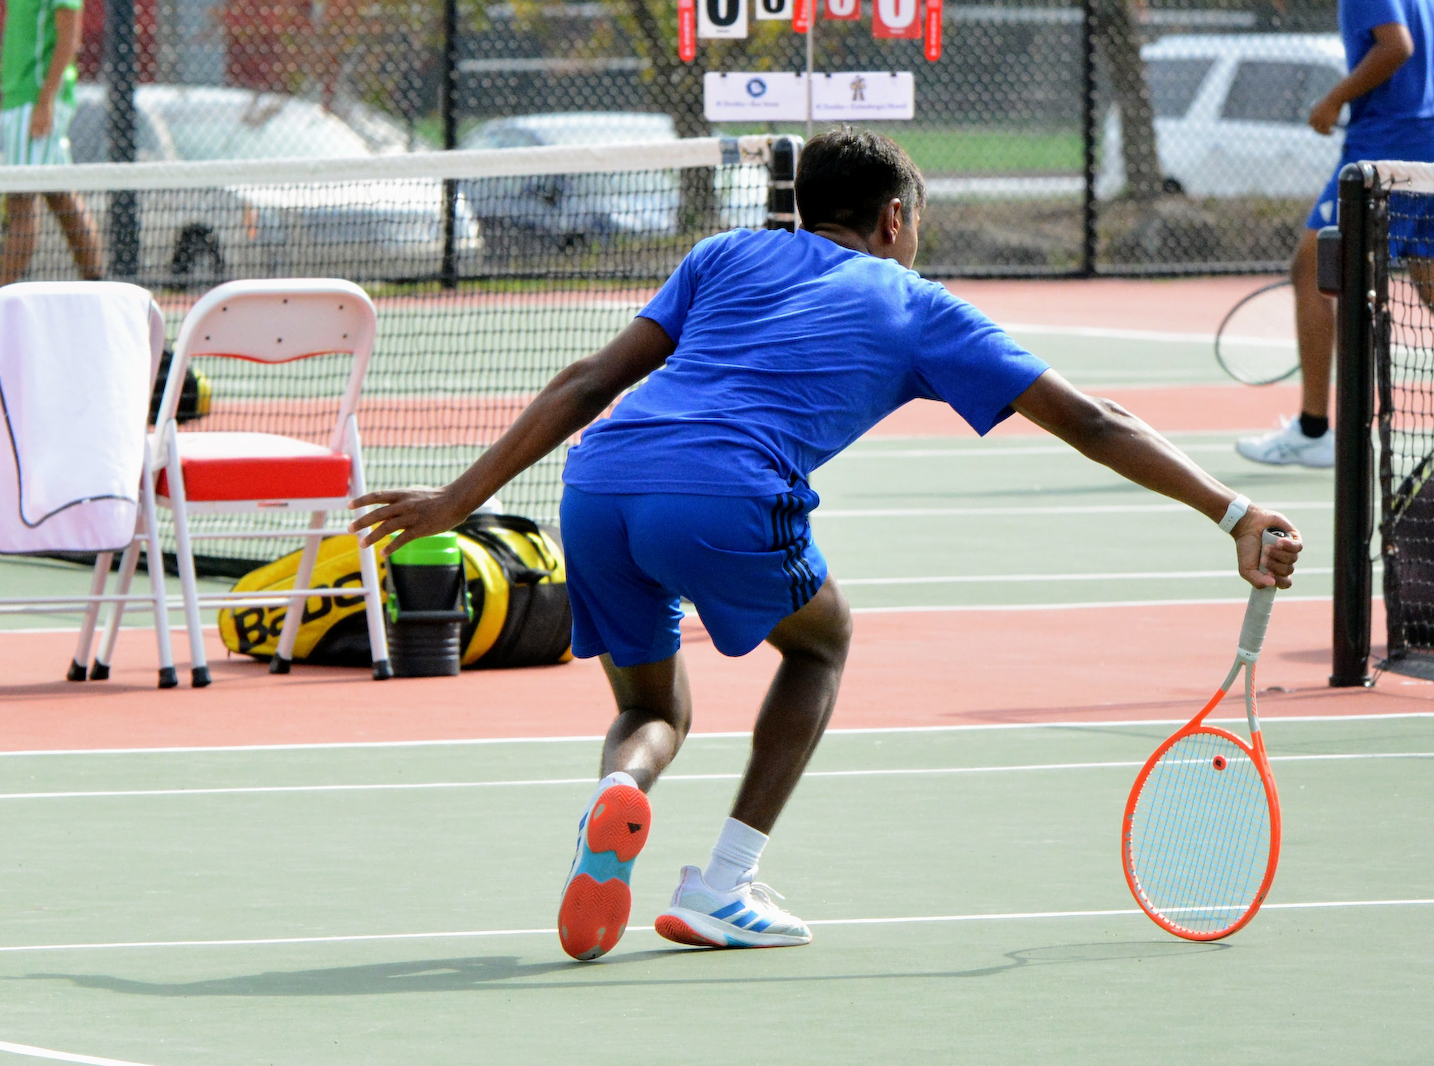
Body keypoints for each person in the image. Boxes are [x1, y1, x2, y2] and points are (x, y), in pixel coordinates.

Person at [349, 129, 1304, 961]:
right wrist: (1231, 512)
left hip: (598, 484)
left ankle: (621, 789)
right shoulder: (916, 303)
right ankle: (725, 884)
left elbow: (589, 381)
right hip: (722, 491)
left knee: (650, 706)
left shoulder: (723, 255)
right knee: (822, 641)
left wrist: (459, 498)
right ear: (894, 219)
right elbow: (1093, 420)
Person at [1236, 0, 1434, 468]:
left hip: (1397, 140)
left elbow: (1396, 47)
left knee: (1318, 270)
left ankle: (1315, 428)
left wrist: (1333, 99)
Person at [0, 0, 102, 285]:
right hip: (18, 100)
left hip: (35, 102)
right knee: (61, 197)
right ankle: (98, 283)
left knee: (20, 200)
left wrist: (45, 102)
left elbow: (69, 39)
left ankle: (3, 292)